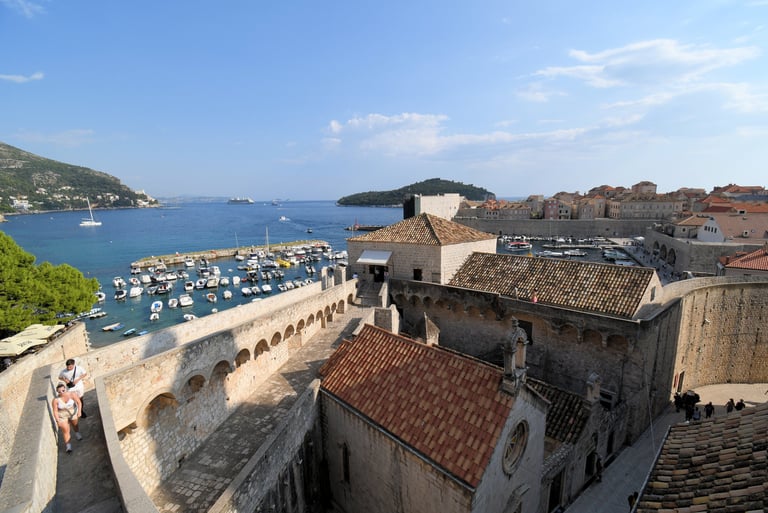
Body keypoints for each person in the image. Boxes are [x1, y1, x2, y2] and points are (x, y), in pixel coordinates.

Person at [52, 383, 82, 453]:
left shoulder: (72, 394)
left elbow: (79, 402)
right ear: (57, 392)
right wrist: (57, 421)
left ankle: (77, 433)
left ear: (65, 389)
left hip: (72, 412)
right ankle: (68, 446)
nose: (62, 393)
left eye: (63, 390)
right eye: (59, 392)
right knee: (65, 430)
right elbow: (55, 411)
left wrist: (79, 411)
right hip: (62, 415)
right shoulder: (56, 400)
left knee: (75, 424)